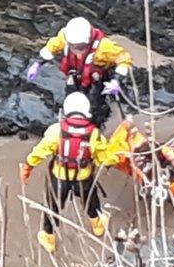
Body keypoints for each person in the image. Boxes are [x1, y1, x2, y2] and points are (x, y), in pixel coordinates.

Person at [20, 92, 118, 253]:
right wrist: (115, 158)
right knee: (90, 201)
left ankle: (48, 238)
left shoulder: (55, 131)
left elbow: (40, 151)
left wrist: (28, 167)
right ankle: (98, 225)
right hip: (83, 177)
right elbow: (105, 158)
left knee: (53, 207)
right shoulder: (94, 134)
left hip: (59, 178)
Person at [26, 17, 133, 126]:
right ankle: (69, 119)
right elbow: (51, 47)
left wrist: (117, 80)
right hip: (75, 72)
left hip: (96, 75)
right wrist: (37, 64)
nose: (75, 49)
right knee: (70, 96)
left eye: (80, 46)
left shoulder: (104, 46)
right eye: (72, 45)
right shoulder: (65, 36)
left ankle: (94, 123)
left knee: (94, 102)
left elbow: (124, 58)